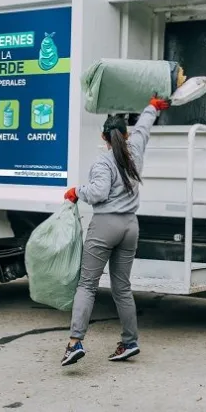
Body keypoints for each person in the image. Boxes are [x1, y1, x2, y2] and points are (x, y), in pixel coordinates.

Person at [60, 95, 170, 366]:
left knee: (87, 284)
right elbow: (144, 127)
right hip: (130, 226)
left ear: (104, 136)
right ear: (126, 133)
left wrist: (76, 191)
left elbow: (97, 193)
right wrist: (152, 107)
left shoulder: (103, 162)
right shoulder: (135, 149)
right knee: (122, 287)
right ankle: (130, 342)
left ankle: (75, 343)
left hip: (105, 226)